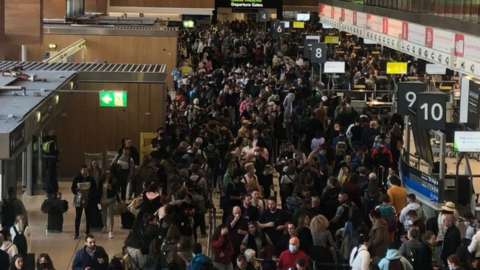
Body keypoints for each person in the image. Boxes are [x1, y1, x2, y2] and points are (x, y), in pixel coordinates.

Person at [71, 165, 97, 239]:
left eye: (86, 170)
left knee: (88, 216)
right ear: (80, 170)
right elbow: (73, 188)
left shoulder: (91, 179)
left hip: (88, 199)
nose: (85, 172)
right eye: (84, 170)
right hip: (78, 199)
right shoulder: (77, 178)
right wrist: (77, 193)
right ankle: (76, 233)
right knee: (78, 216)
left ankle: (87, 231)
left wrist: (91, 196)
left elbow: (94, 189)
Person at [97, 168, 118, 239]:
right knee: (104, 213)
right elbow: (99, 189)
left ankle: (111, 230)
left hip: (110, 199)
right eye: (106, 173)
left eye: (109, 173)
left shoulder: (114, 180)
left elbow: (116, 190)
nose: (108, 175)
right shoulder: (101, 180)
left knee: (111, 214)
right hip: (103, 199)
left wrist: (111, 188)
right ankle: (104, 226)